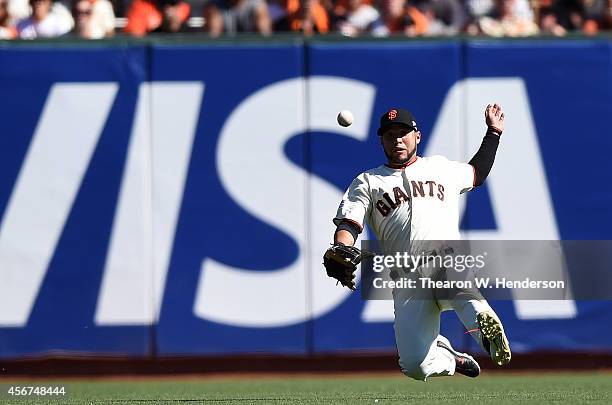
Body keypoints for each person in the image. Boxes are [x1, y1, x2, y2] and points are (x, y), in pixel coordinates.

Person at [324, 105, 511, 380]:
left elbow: (477, 172)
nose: (397, 140)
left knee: (462, 293)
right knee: (415, 366)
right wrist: (342, 248)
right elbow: (349, 223)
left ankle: (484, 327)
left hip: (446, 261)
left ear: (417, 136)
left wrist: (493, 132)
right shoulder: (368, 182)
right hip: (406, 278)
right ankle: (450, 357)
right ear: (382, 141)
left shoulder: (440, 168)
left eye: (403, 133)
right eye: (390, 135)